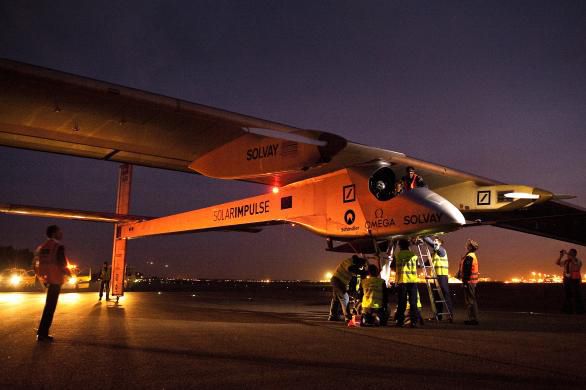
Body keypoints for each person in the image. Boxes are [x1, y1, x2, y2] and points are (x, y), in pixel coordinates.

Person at [33, 225, 71, 342]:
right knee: (50, 308)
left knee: (48, 306)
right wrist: (70, 273)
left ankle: (42, 332)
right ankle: (42, 333)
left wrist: (42, 277)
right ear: (54, 233)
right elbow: (62, 263)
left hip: (47, 279)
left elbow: (35, 264)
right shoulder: (58, 246)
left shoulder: (42, 247)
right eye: (60, 231)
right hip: (55, 280)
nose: (62, 234)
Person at [329, 255, 368, 322]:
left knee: (336, 299)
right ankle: (347, 316)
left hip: (340, 282)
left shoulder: (354, 265)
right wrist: (363, 272)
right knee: (345, 297)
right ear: (358, 262)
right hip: (337, 280)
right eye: (361, 266)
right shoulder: (349, 262)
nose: (360, 268)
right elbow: (351, 269)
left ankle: (333, 316)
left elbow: (353, 279)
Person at [423, 236, 453, 321]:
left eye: (436, 241)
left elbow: (432, 245)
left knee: (445, 295)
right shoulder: (433, 254)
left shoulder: (442, 251)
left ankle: (449, 315)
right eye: (434, 241)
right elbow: (426, 263)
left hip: (442, 276)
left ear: (440, 243)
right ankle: (438, 316)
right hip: (435, 277)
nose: (434, 242)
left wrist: (424, 236)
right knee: (437, 297)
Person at [393, 239, 420, 328]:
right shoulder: (414, 255)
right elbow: (417, 266)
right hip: (412, 281)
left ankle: (400, 321)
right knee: (413, 302)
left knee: (402, 302)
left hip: (402, 281)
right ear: (408, 246)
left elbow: (392, 267)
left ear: (400, 246)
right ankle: (414, 321)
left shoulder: (397, 255)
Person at [456, 239, 480, 325]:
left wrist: (465, 282)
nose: (466, 246)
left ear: (470, 247)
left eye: (467, 245)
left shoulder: (469, 256)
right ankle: (473, 318)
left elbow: (467, 270)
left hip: (469, 282)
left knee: (470, 300)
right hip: (472, 282)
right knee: (471, 300)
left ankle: (473, 319)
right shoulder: (472, 256)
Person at [556, 249, 584, 314]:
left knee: (577, 295)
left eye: (570, 253)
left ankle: (579, 310)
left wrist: (569, 255)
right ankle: (568, 310)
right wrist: (561, 256)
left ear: (574, 254)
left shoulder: (577, 260)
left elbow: (576, 265)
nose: (568, 254)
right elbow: (557, 263)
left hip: (575, 280)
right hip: (567, 279)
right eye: (569, 253)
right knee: (567, 295)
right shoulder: (566, 261)